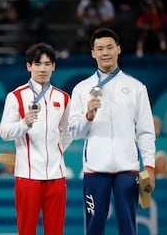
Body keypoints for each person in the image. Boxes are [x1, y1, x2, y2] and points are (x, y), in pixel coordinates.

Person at [67, 28, 156, 235]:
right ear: (93, 53)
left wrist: (149, 167)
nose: (105, 52)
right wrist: (88, 115)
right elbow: (74, 131)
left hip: (128, 170)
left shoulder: (136, 88)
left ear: (118, 49)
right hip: (95, 170)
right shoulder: (81, 89)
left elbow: (145, 131)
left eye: (109, 47)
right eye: (99, 49)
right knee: (94, 228)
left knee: (128, 228)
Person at [0, 42, 72, 235]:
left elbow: (68, 131)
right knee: (26, 230)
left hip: (56, 176)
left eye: (48, 64)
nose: (43, 69)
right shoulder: (15, 96)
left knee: (55, 231)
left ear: (54, 67)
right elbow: (4, 132)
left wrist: (57, 151)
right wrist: (24, 124)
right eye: (38, 64)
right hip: (28, 176)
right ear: (28, 66)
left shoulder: (63, 97)